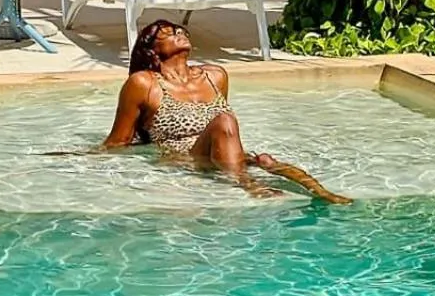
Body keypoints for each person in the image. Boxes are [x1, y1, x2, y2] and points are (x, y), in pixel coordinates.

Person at [79, 18, 350, 203]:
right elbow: (118, 141)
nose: (181, 33)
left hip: (221, 154)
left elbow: (222, 135)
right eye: (171, 34)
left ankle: (322, 193)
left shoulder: (215, 76)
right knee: (224, 121)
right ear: (152, 50)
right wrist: (77, 158)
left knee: (266, 159)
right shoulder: (144, 84)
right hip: (185, 160)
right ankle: (250, 186)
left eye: (182, 30)